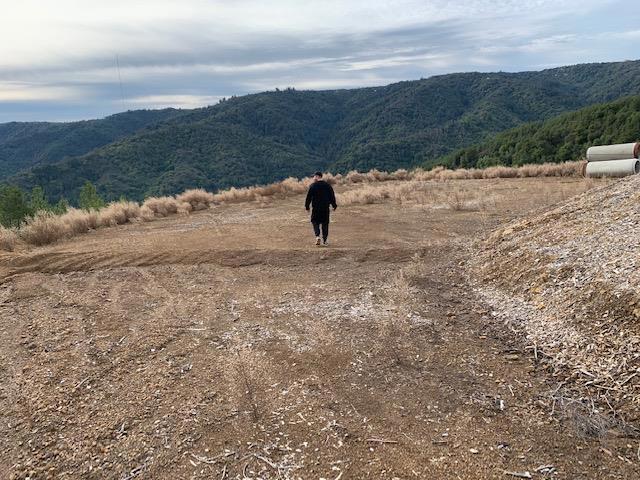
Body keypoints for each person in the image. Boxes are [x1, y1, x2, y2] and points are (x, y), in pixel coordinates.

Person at [305, 171, 337, 246]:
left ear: (317, 176)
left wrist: (307, 207)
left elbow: (308, 197)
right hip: (325, 208)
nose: (313, 178)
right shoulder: (328, 186)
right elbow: (332, 196)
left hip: (316, 208)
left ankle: (317, 236)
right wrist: (334, 205)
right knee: (325, 224)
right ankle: (325, 241)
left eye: (314, 176)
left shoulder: (313, 186)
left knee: (314, 221)